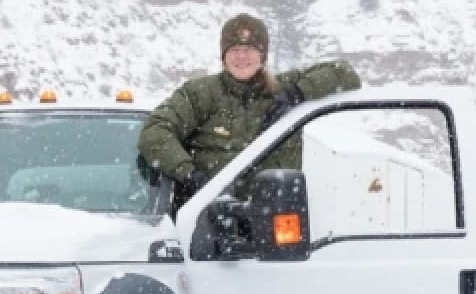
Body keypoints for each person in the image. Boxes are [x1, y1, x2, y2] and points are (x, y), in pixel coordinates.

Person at [138, 13, 362, 213]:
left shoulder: (282, 89)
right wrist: (190, 175)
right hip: (210, 220)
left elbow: (345, 73)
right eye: (234, 50)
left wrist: (298, 93)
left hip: (275, 220)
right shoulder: (199, 94)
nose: (241, 57)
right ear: (223, 56)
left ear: (262, 56)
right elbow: (155, 132)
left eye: (249, 50)